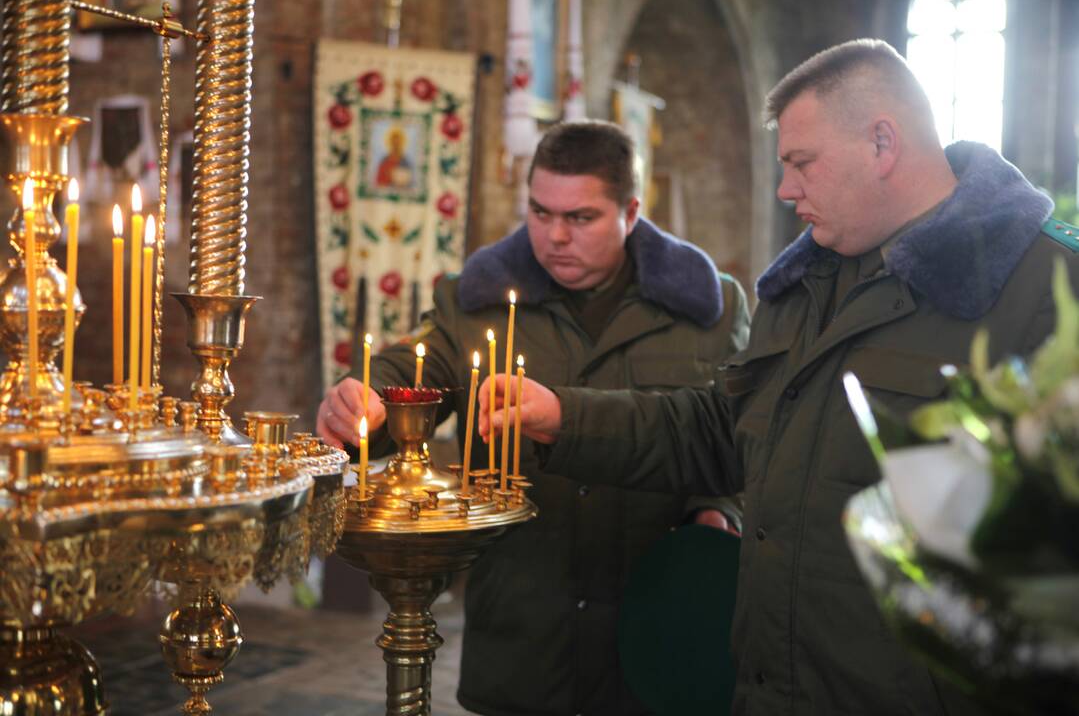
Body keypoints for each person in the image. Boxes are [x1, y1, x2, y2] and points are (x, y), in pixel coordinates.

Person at [491, 40, 1079, 715]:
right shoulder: (803, 282)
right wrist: (563, 417)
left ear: (881, 144)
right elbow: (724, 427)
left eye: (801, 163)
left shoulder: (1044, 290)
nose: (784, 189)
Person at [317, 120, 751, 716]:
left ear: (631, 211)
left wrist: (719, 511)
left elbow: (743, 441)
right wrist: (367, 401)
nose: (554, 237)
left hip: (654, 626)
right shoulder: (480, 301)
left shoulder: (709, 308)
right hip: (525, 628)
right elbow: (416, 369)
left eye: (580, 218)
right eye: (540, 212)